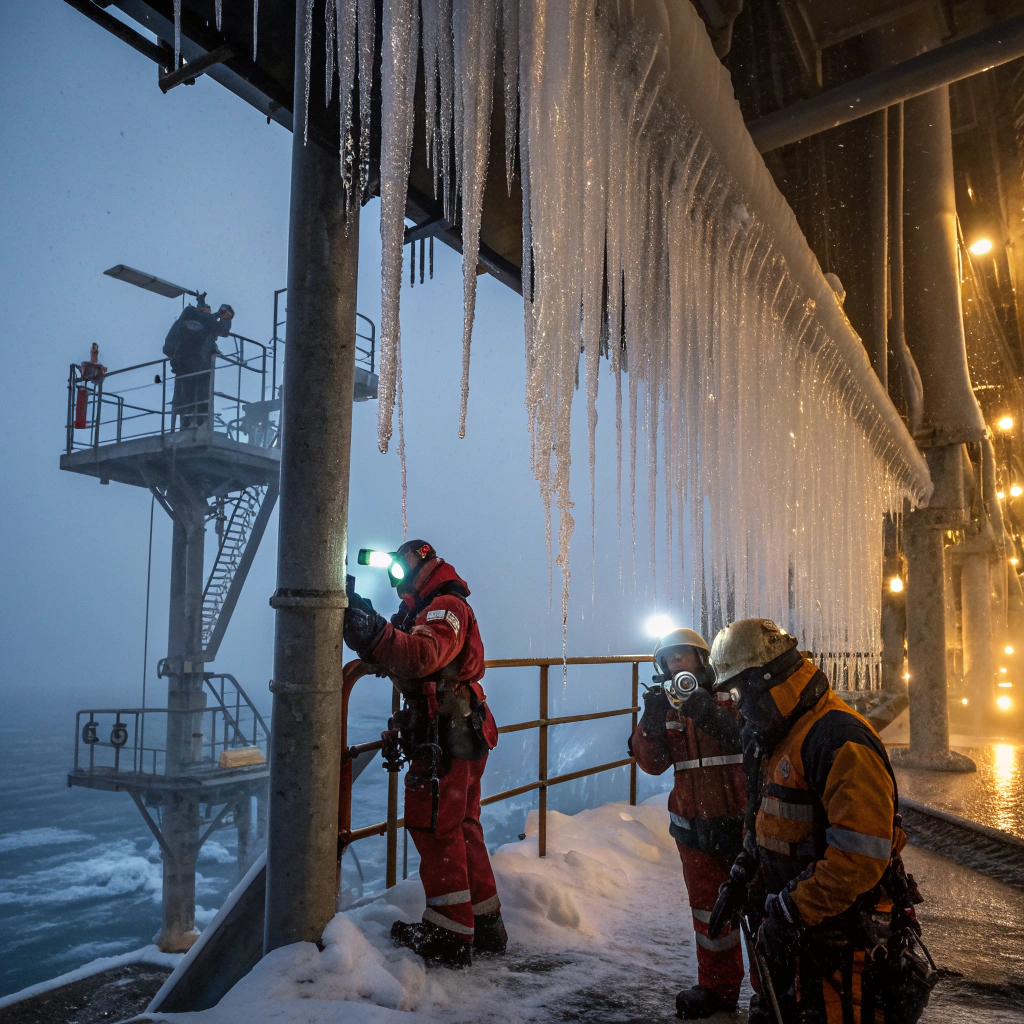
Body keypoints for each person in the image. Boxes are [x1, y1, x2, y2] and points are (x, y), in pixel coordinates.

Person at [707, 618, 933, 1024]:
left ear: (767, 681)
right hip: (803, 929)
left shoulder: (838, 739)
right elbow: (766, 819)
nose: (737, 706)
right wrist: (743, 873)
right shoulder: (778, 735)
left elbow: (859, 858)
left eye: (739, 691)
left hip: (842, 937)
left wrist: (791, 911)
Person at [344, 540, 505, 969]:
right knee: (463, 825)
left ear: (424, 563)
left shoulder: (445, 606)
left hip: (449, 735)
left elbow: (421, 655)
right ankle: (485, 923)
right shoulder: (423, 607)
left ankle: (449, 933)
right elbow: (397, 647)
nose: (395, 574)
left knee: (435, 827)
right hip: (455, 731)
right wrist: (365, 623)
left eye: (401, 566)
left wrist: (370, 628)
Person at [629, 628, 747, 1019]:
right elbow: (652, 763)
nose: (677, 665)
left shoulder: (734, 695)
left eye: (684, 656)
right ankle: (717, 989)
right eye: (669, 660)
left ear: (702, 659)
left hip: (742, 825)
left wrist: (706, 710)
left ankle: (773, 988)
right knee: (708, 914)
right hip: (693, 829)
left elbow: (750, 740)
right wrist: (651, 718)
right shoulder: (668, 707)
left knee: (763, 911)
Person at [164, 299, 234, 427]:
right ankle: (199, 423)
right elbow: (223, 330)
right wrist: (226, 317)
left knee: (185, 401)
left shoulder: (181, 323)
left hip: (182, 368)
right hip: (201, 368)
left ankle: (187, 422)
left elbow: (167, 347)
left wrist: (176, 357)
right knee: (201, 399)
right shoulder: (207, 322)